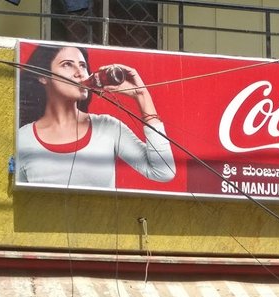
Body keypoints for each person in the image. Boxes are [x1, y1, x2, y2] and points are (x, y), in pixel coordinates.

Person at [16, 43, 176, 189]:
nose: (80, 73)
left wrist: (142, 95)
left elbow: (164, 171)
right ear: (43, 76)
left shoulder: (108, 127)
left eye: (83, 66)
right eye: (67, 65)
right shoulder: (23, 138)